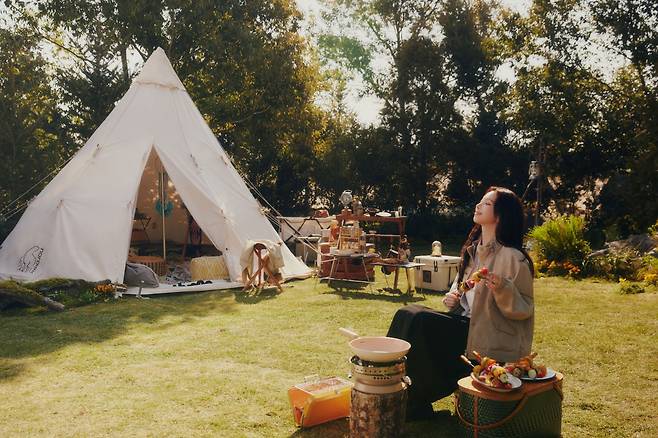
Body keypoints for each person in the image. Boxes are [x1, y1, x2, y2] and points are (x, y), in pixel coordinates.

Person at [386, 186, 535, 420]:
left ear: (500, 215)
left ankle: (413, 400)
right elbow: (462, 292)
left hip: (488, 339)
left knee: (419, 318)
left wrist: (503, 288)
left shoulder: (513, 258)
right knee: (406, 313)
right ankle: (391, 388)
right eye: (481, 201)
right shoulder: (473, 252)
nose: (478, 206)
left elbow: (525, 308)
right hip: (465, 326)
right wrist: (453, 299)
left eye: (486, 204)